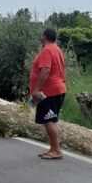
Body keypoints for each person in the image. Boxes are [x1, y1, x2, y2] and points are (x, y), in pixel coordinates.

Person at [29, 27, 66, 160]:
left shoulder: (47, 50)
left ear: (44, 36)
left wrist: (36, 90)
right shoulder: (57, 49)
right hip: (58, 89)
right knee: (50, 120)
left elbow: (45, 70)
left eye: (41, 35)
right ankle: (53, 148)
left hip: (49, 91)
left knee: (49, 120)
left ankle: (56, 150)